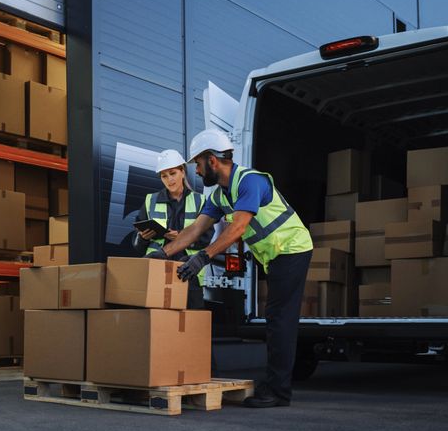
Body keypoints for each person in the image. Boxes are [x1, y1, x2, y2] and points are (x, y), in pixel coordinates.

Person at [145, 129, 313, 408]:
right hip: (274, 255)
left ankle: (278, 392)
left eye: (197, 164)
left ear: (212, 160)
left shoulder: (250, 181)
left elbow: (239, 227)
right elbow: (195, 229)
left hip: (293, 249)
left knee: (279, 320)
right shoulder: (220, 195)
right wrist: (162, 255)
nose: (196, 171)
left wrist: (203, 257)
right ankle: (275, 384)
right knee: (276, 319)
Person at [133, 149, 214, 309]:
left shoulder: (200, 200)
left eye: (173, 173)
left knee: (192, 321)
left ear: (182, 172)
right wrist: (143, 238)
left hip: (189, 271)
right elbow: (137, 246)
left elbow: (206, 237)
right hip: (158, 270)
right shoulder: (150, 201)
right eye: (164, 176)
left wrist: (181, 238)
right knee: (159, 321)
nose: (169, 179)